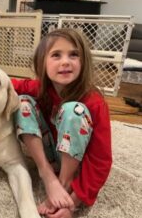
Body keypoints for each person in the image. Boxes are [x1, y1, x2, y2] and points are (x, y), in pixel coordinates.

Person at [12, 28, 112, 218]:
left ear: (83, 62)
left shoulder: (95, 102)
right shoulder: (41, 88)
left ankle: (64, 183)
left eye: (73, 55)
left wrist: (72, 202)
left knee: (73, 110)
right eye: (56, 55)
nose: (65, 61)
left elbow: (101, 160)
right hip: (51, 158)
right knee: (22, 101)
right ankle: (48, 175)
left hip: (78, 165)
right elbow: (12, 85)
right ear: (43, 64)